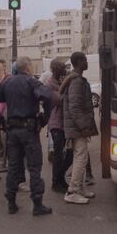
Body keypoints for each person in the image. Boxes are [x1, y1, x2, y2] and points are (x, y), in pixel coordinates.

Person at [0, 57, 55, 216]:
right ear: (28, 69)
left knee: (14, 167)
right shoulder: (31, 82)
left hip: (12, 131)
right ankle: (37, 204)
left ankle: (11, 202)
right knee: (34, 167)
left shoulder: (7, 83)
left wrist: (0, 119)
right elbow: (48, 96)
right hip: (29, 130)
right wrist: (44, 119)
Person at [60, 52, 98, 205]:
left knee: (82, 157)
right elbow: (74, 108)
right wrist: (84, 127)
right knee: (80, 157)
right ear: (79, 62)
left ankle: (80, 188)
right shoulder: (76, 81)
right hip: (77, 127)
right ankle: (72, 191)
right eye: (85, 60)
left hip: (76, 126)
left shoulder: (77, 79)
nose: (87, 62)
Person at [46, 59, 72, 193]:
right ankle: (56, 182)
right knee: (58, 155)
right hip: (56, 123)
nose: (64, 69)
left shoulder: (61, 81)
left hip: (65, 123)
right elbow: (59, 101)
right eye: (62, 67)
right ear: (55, 69)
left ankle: (60, 178)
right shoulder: (50, 83)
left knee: (69, 154)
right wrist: (67, 86)